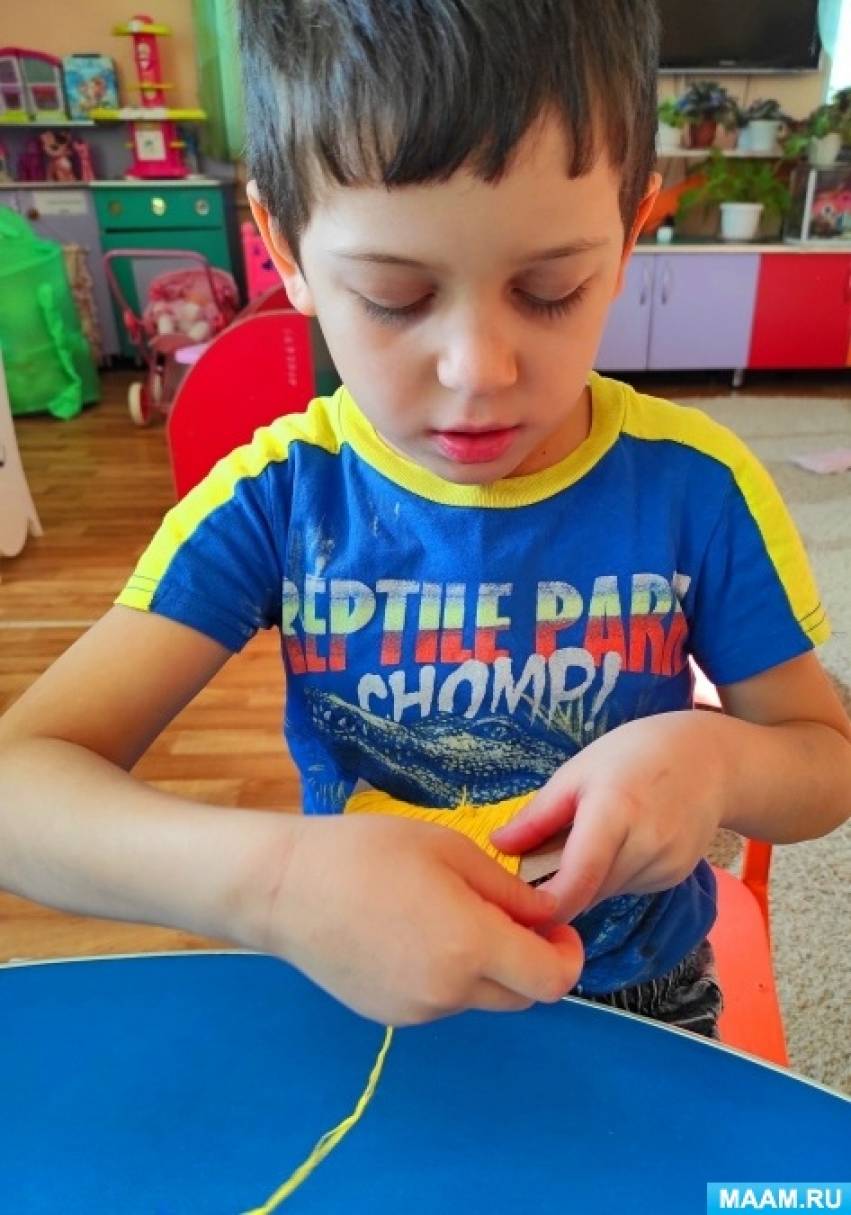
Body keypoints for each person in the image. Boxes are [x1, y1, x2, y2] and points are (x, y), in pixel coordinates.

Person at [1, 0, 849, 1039]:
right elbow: (18, 788)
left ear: (629, 236)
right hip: (375, 978)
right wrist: (275, 885)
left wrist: (715, 763)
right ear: (285, 247)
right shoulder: (279, 498)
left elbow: (823, 763)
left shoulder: (694, 488)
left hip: (638, 991)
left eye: (550, 288)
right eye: (394, 297)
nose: (476, 372)